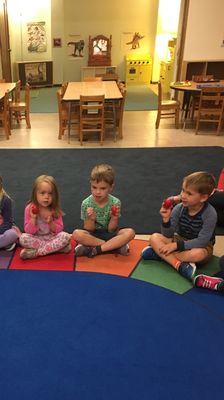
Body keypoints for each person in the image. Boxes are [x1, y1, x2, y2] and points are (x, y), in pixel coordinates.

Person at [141, 171, 224, 293]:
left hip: (201, 246)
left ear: (203, 197)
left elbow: (202, 241)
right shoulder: (179, 208)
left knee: (198, 254)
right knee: (154, 237)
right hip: (180, 239)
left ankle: (160, 256)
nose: (183, 196)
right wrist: (166, 220)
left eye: (189, 193)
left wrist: (175, 246)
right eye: (183, 190)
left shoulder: (210, 214)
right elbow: (168, 234)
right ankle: (179, 265)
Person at [73, 164, 135, 257]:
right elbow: (88, 229)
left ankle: (96, 249)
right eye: (94, 187)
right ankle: (113, 246)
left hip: (110, 234)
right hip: (93, 236)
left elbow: (112, 229)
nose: (97, 192)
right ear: (90, 184)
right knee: (77, 234)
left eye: (103, 188)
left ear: (111, 187)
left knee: (130, 232)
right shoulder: (86, 203)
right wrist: (91, 219)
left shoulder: (115, 202)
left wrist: (114, 218)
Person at [19, 175, 71, 259]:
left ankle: (37, 253)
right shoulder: (30, 208)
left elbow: (59, 230)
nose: (46, 197)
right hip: (37, 238)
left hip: (52, 237)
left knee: (66, 236)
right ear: (35, 194)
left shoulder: (54, 209)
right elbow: (28, 231)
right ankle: (56, 249)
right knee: (23, 238)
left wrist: (51, 223)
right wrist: (33, 219)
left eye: (50, 193)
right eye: (42, 193)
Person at [0, 175, 19, 251]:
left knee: (12, 234)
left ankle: (6, 242)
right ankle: (5, 244)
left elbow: (8, 223)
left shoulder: (5, 200)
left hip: (3, 230)